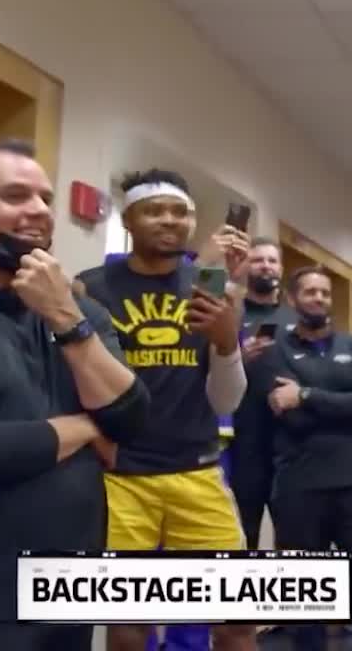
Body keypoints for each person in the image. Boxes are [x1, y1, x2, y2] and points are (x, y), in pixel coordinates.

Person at [76, 169, 256, 651]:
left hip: (196, 470)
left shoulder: (210, 286)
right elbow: (71, 372)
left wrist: (224, 342)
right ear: (129, 220)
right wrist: (92, 437)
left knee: (237, 621)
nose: (169, 220)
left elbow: (227, 400)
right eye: (154, 210)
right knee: (128, 623)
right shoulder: (90, 287)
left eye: (181, 212)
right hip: (121, 477)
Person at [0, 140, 149, 650]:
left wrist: (65, 319)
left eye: (44, 198)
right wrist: (82, 427)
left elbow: (133, 420)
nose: (36, 211)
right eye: (14, 196)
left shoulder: (79, 311)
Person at [247, 266, 352, 651]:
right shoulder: (273, 352)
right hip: (300, 484)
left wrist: (306, 395)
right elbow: (285, 411)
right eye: (310, 292)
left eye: (325, 293)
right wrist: (338, 404)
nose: (319, 299)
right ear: (292, 300)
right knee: (305, 590)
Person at [228, 236, 294, 549]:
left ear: (280, 268)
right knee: (243, 537)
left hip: (291, 446)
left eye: (272, 260)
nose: (266, 266)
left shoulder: (296, 321)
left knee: (294, 540)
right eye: (258, 260)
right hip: (243, 445)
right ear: (244, 266)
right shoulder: (230, 314)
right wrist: (238, 356)